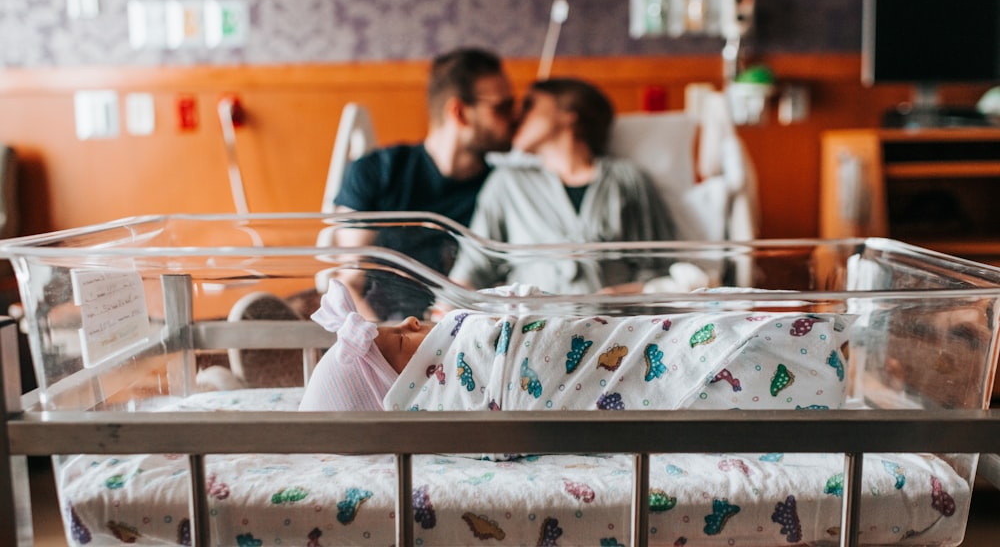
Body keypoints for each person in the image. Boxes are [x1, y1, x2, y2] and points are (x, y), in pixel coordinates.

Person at [298, 280, 852, 415]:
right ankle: (796, 364)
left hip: (627, 332)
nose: (414, 320)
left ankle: (797, 342)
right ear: (402, 392)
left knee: (687, 320)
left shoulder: (459, 339)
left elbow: (537, 316)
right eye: (399, 338)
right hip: (641, 380)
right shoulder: (450, 396)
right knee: (707, 354)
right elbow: (507, 358)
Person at [330, 47, 517, 320]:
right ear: (460, 113)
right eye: (503, 107)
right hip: (380, 333)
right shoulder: (376, 173)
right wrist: (390, 350)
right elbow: (348, 284)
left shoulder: (503, 190)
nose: (515, 118)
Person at [448, 77, 677, 295]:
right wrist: (442, 319)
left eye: (529, 105)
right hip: (532, 328)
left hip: (617, 327)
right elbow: (473, 267)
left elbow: (662, 268)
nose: (517, 117)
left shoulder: (627, 179)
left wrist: (620, 296)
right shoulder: (507, 184)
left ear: (569, 115)